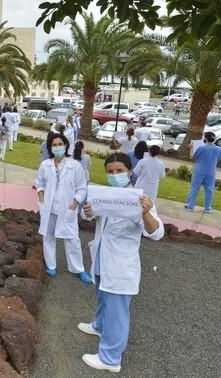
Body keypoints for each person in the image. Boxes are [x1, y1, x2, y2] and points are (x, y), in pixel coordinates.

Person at [79, 152, 164, 373]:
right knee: (102, 297)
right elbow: (90, 217)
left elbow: (157, 233)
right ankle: (99, 326)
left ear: (129, 171)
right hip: (101, 259)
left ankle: (110, 358)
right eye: (110, 171)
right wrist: (88, 212)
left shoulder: (140, 199)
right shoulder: (104, 194)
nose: (115, 175)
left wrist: (145, 213)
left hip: (120, 265)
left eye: (119, 171)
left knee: (117, 311)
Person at [35, 132, 91, 283]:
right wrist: (41, 201)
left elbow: (82, 188)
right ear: (50, 148)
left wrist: (75, 203)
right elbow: (39, 183)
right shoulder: (45, 165)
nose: (58, 147)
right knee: (48, 236)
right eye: (54, 145)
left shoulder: (75, 166)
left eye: (60, 144)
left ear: (66, 146)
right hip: (49, 208)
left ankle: (78, 269)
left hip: (67, 209)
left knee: (72, 238)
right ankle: (51, 266)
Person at [185, 131, 221, 213]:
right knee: (209, 190)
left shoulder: (201, 148)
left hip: (199, 170)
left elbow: (192, 157)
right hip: (211, 171)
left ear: (205, 138)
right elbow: (218, 159)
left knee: (195, 188)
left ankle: (190, 205)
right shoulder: (219, 149)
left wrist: (191, 148)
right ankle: (208, 208)